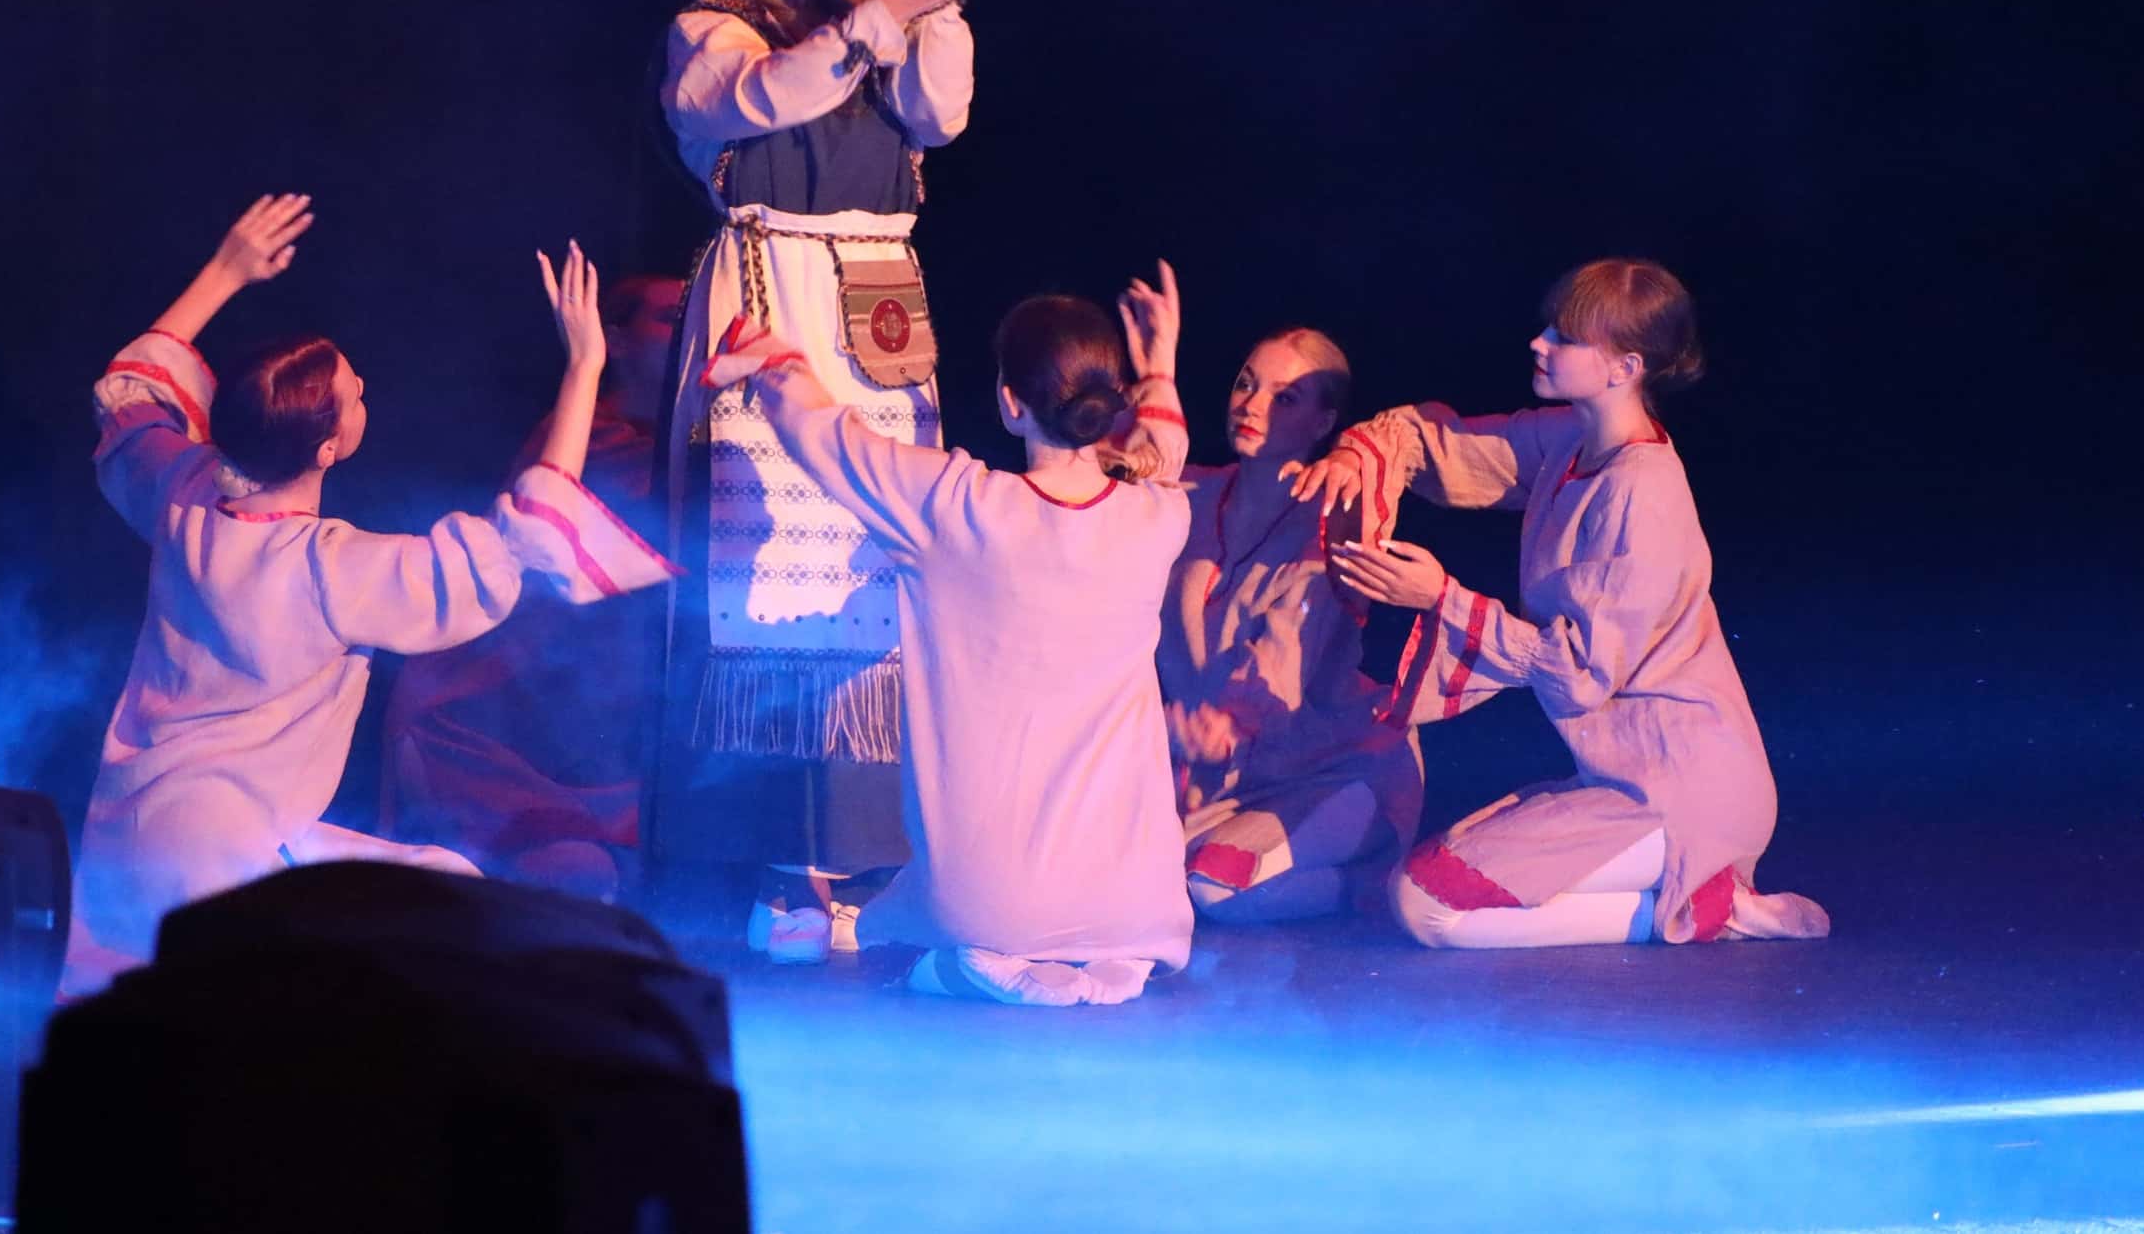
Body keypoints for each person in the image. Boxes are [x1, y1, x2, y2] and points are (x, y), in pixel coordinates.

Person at [62, 197, 673, 994]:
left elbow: (129, 393)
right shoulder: (330, 569)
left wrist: (226, 270)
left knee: (443, 879)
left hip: (132, 835)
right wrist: (585, 367)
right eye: (356, 393)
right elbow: (524, 537)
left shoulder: (184, 494)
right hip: (227, 859)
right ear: (328, 446)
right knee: (434, 925)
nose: (365, 389)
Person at [650, 0, 979, 961]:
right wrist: (885, 13)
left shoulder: (875, 31)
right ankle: (772, 864)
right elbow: (765, 98)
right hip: (772, 295)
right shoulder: (708, 34)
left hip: (878, 307)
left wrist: (933, 3)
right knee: (769, 584)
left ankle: (869, 859)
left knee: (880, 571)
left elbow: (942, 115)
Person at [700, 264, 1194, 1006]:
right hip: (1134, 905)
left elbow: (828, 437)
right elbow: (1162, 454)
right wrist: (1161, 369)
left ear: (1009, 401)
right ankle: (1099, 966)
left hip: (985, 901)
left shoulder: (953, 506)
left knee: (894, 943)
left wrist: (775, 360)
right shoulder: (1159, 518)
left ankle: (977, 962)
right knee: (1086, 927)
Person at [1303, 259, 1828, 949]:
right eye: (1550, 327)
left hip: (1686, 793)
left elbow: (1581, 674)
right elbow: (1445, 446)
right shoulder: (1571, 441)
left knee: (1427, 906)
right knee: (1428, 873)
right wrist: (1356, 457)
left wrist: (1440, 597)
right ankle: (1685, 897)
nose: (1539, 342)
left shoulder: (1643, 492)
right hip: (1622, 776)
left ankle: (1698, 905)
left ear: (1625, 367)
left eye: (1566, 337)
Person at [379, 277, 685, 903]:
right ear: (617, 341)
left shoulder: (681, 446)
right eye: (666, 319)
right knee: (574, 877)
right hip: (495, 725)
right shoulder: (587, 442)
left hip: (598, 739)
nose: (687, 334)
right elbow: (576, 527)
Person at [1158, 329, 1425, 923]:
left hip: (1333, 770)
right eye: (1246, 384)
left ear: (1323, 422)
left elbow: (1282, 664)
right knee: (1131, 873)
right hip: (1223, 783)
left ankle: (1373, 887)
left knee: (1212, 886)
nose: (1252, 405)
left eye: (1285, 397)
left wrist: (1223, 726)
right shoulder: (1188, 497)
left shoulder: (1331, 525)